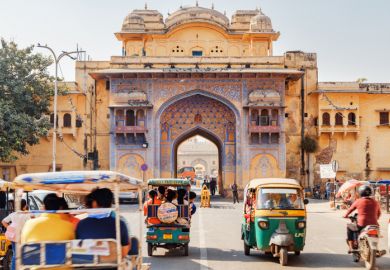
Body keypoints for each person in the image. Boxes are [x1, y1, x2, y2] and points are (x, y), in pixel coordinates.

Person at [76, 188, 130, 258]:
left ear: (94, 203)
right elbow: (124, 251)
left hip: (85, 265)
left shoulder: (81, 224)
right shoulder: (119, 224)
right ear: (110, 203)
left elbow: (77, 248)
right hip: (113, 265)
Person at [343, 185, 381, 253]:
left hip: (362, 224)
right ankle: (376, 248)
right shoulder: (375, 202)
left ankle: (351, 247)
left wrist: (345, 215)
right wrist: (375, 219)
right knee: (377, 234)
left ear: (360, 193)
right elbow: (379, 213)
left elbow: (350, 209)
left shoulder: (358, 201)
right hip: (375, 225)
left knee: (349, 227)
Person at [2, 199, 30, 270]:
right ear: (24, 206)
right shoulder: (27, 215)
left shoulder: (13, 214)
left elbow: (3, 221)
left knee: (16, 253)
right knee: (22, 254)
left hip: (13, 236)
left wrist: (9, 227)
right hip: (22, 236)